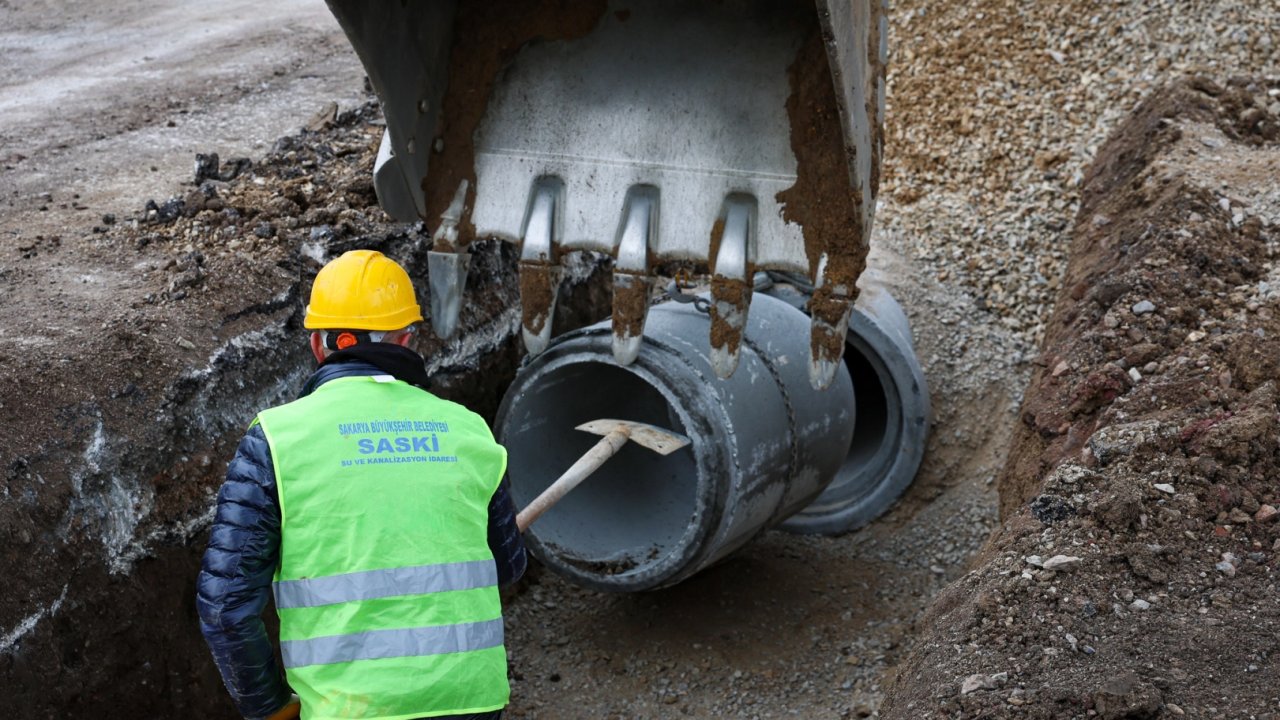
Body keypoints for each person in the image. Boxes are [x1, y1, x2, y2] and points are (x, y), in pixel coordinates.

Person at [197, 249, 526, 720]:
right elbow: (507, 566)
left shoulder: (277, 440)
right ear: (408, 339)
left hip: (350, 708)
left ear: (318, 346)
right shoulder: (467, 429)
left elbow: (226, 607)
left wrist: (268, 708)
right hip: (470, 700)